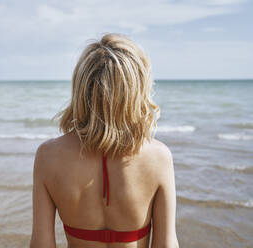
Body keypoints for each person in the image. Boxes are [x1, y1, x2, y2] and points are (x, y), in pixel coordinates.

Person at [30, 33, 179, 248]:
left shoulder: (48, 156)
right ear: (135, 89)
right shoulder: (158, 157)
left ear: (81, 88)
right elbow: (166, 245)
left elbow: (41, 245)